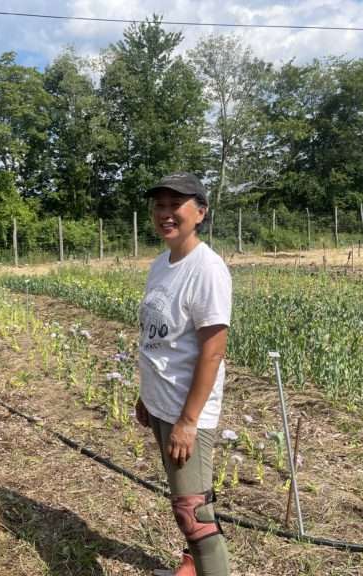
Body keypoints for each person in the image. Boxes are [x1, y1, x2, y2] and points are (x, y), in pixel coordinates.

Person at [135, 173, 232, 576]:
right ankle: (193, 564)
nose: (165, 213)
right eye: (159, 205)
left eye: (176, 204)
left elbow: (213, 350)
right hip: (162, 402)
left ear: (200, 212)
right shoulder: (162, 264)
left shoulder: (207, 269)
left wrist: (188, 422)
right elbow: (161, 339)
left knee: (193, 512)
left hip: (185, 411)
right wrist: (147, 395)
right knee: (189, 496)